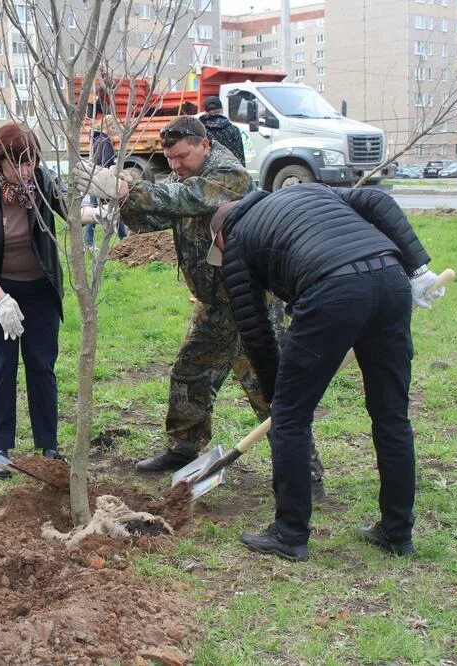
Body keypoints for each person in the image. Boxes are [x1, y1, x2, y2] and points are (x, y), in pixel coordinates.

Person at [73, 116, 327, 500]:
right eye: (170, 159)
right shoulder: (184, 175)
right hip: (213, 304)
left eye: (182, 157)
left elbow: (187, 198)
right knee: (190, 372)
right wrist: (117, 202)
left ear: (204, 145)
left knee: (267, 388)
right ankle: (184, 447)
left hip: (250, 303)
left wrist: (127, 187)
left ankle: (305, 474)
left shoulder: (229, 176)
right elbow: (157, 215)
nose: (175, 166)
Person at [207, 183, 445, 562]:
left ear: (220, 235)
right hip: (391, 279)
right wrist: (417, 267)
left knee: (291, 418)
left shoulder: (235, 242)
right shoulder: (312, 192)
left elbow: (254, 330)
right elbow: (376, 199)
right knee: (391, 415)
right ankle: (397, 533)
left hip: (332, 288)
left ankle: (289, 534)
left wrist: (277, 399)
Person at [0, 123, 67, 478]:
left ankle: (48, 446)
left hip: (40, 288)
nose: (25, 171)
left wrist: (98, 208)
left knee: (41, 365)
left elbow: (70, 208)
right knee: (1, 369)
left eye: (31, 162)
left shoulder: (43, 182)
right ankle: (0, 448)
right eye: (18, 164)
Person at [83, 115, 128, 250]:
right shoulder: (104, 140)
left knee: (101, 210)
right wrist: (114, 171)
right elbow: (106, 163)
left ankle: (123, 238)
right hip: (102, 182)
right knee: (100, 211)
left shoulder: (96, 139)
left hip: (95, 180)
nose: (114, 130)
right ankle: (90, 242)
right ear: (107, 126)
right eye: (113, 127)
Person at [199, 96, 245, 165]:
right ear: (222, 110)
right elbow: (240, 157)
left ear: (205, 112)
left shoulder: (200, 131)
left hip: (207, 174)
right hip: (230, 172)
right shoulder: (234, 130)